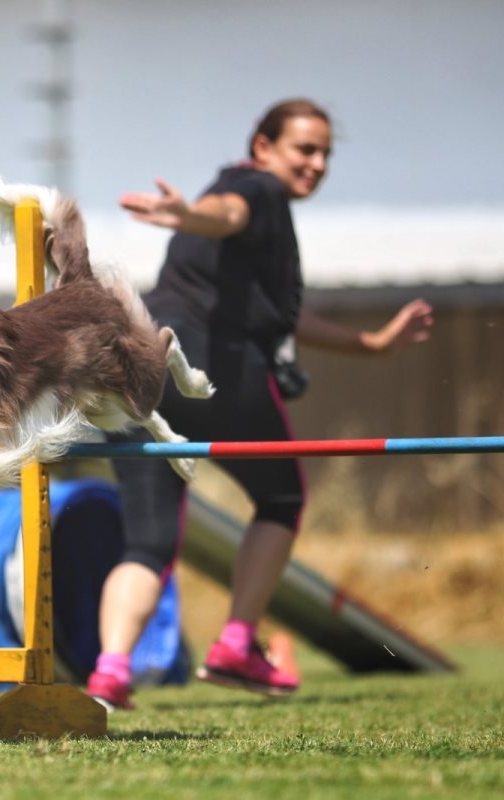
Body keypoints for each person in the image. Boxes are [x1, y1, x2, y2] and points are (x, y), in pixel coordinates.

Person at [86, 99, 434, 711]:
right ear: (264, 146)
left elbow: (281, 314)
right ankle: (237, 642)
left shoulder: (249, 234)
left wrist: (374, 343)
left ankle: (110, 673)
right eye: (305, 148)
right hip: (207, 365)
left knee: (147, 543)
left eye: (326, 152)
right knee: (281, 496)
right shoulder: (257, 189)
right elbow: (229, 213)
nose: (318, 163)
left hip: (136, 365)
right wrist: (189, 214)